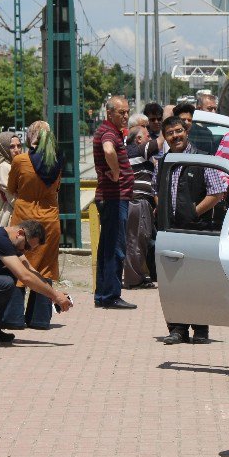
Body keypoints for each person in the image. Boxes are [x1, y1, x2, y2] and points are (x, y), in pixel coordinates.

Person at [159, 116, 227, 345]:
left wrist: (193, 212)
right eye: (170, 133)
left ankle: (200, 329)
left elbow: (217, 193)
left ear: (186, 132)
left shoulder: (201, 159)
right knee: (173, 281)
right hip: (171, 231)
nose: (175, 136)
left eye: (178, 131)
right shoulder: (164, 161)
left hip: (197, 230)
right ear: (165, 137)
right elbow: (155, 191)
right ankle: (177, 328)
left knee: (197, 280)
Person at [2, 121, 64, 330]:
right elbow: (57, 189)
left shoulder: (20, 161)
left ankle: (13, 317)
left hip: (24, 217)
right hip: (50, 220)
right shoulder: (57, 161)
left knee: (18, 265)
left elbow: (12, 188)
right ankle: (39, 319)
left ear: (30, 138)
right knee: (44, 268)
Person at [93, 96, 137, 310]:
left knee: (107, 247)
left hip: (112, 197)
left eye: (127, 112)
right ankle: (110, 295)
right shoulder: (108, 132)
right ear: (110, 113)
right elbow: (109, 150)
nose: (126, 116)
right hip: (114, 198)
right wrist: (118, 171)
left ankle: (103, 294)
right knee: (115, 247)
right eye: (122, 112)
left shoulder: (108, 130)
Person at [123, 124, 164, 289]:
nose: (151, 139)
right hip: (138, 202)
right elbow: (162, 140)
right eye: (148, 136)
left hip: (140, 202)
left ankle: (137, 276)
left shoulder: (136, 153)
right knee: (136, 240)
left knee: (140, 238)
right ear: (139, 139)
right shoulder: (138, 150)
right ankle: (134, 280)